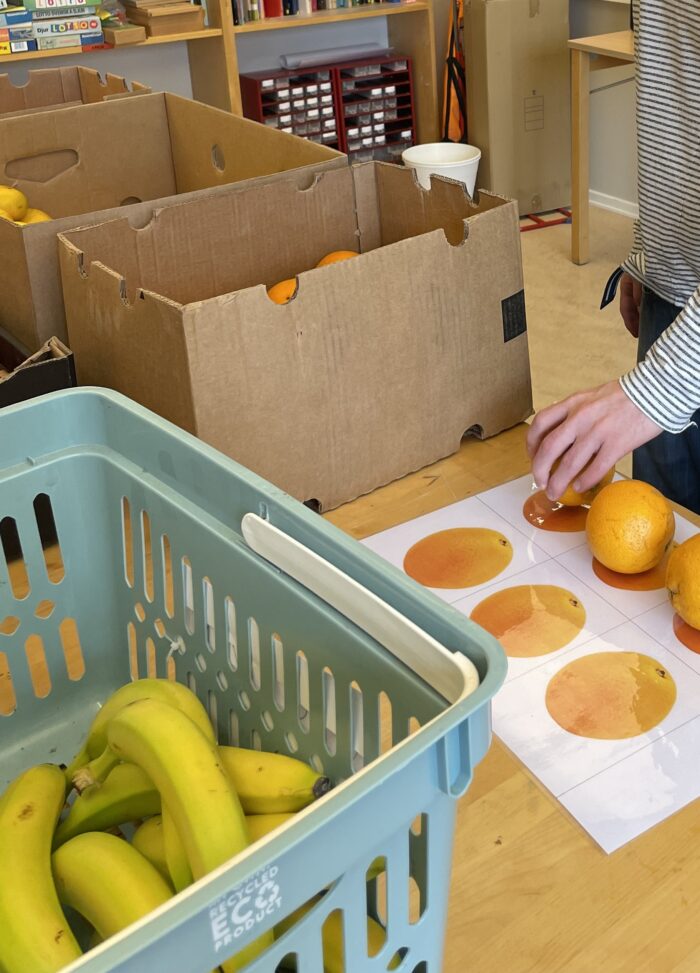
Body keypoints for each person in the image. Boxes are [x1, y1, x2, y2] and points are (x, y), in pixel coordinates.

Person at [527, 0, 700, 515]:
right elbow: (676, 99)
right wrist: (652, 247)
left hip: (680, 360)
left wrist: (659, 387)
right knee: (660, 547)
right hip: (673, 295)